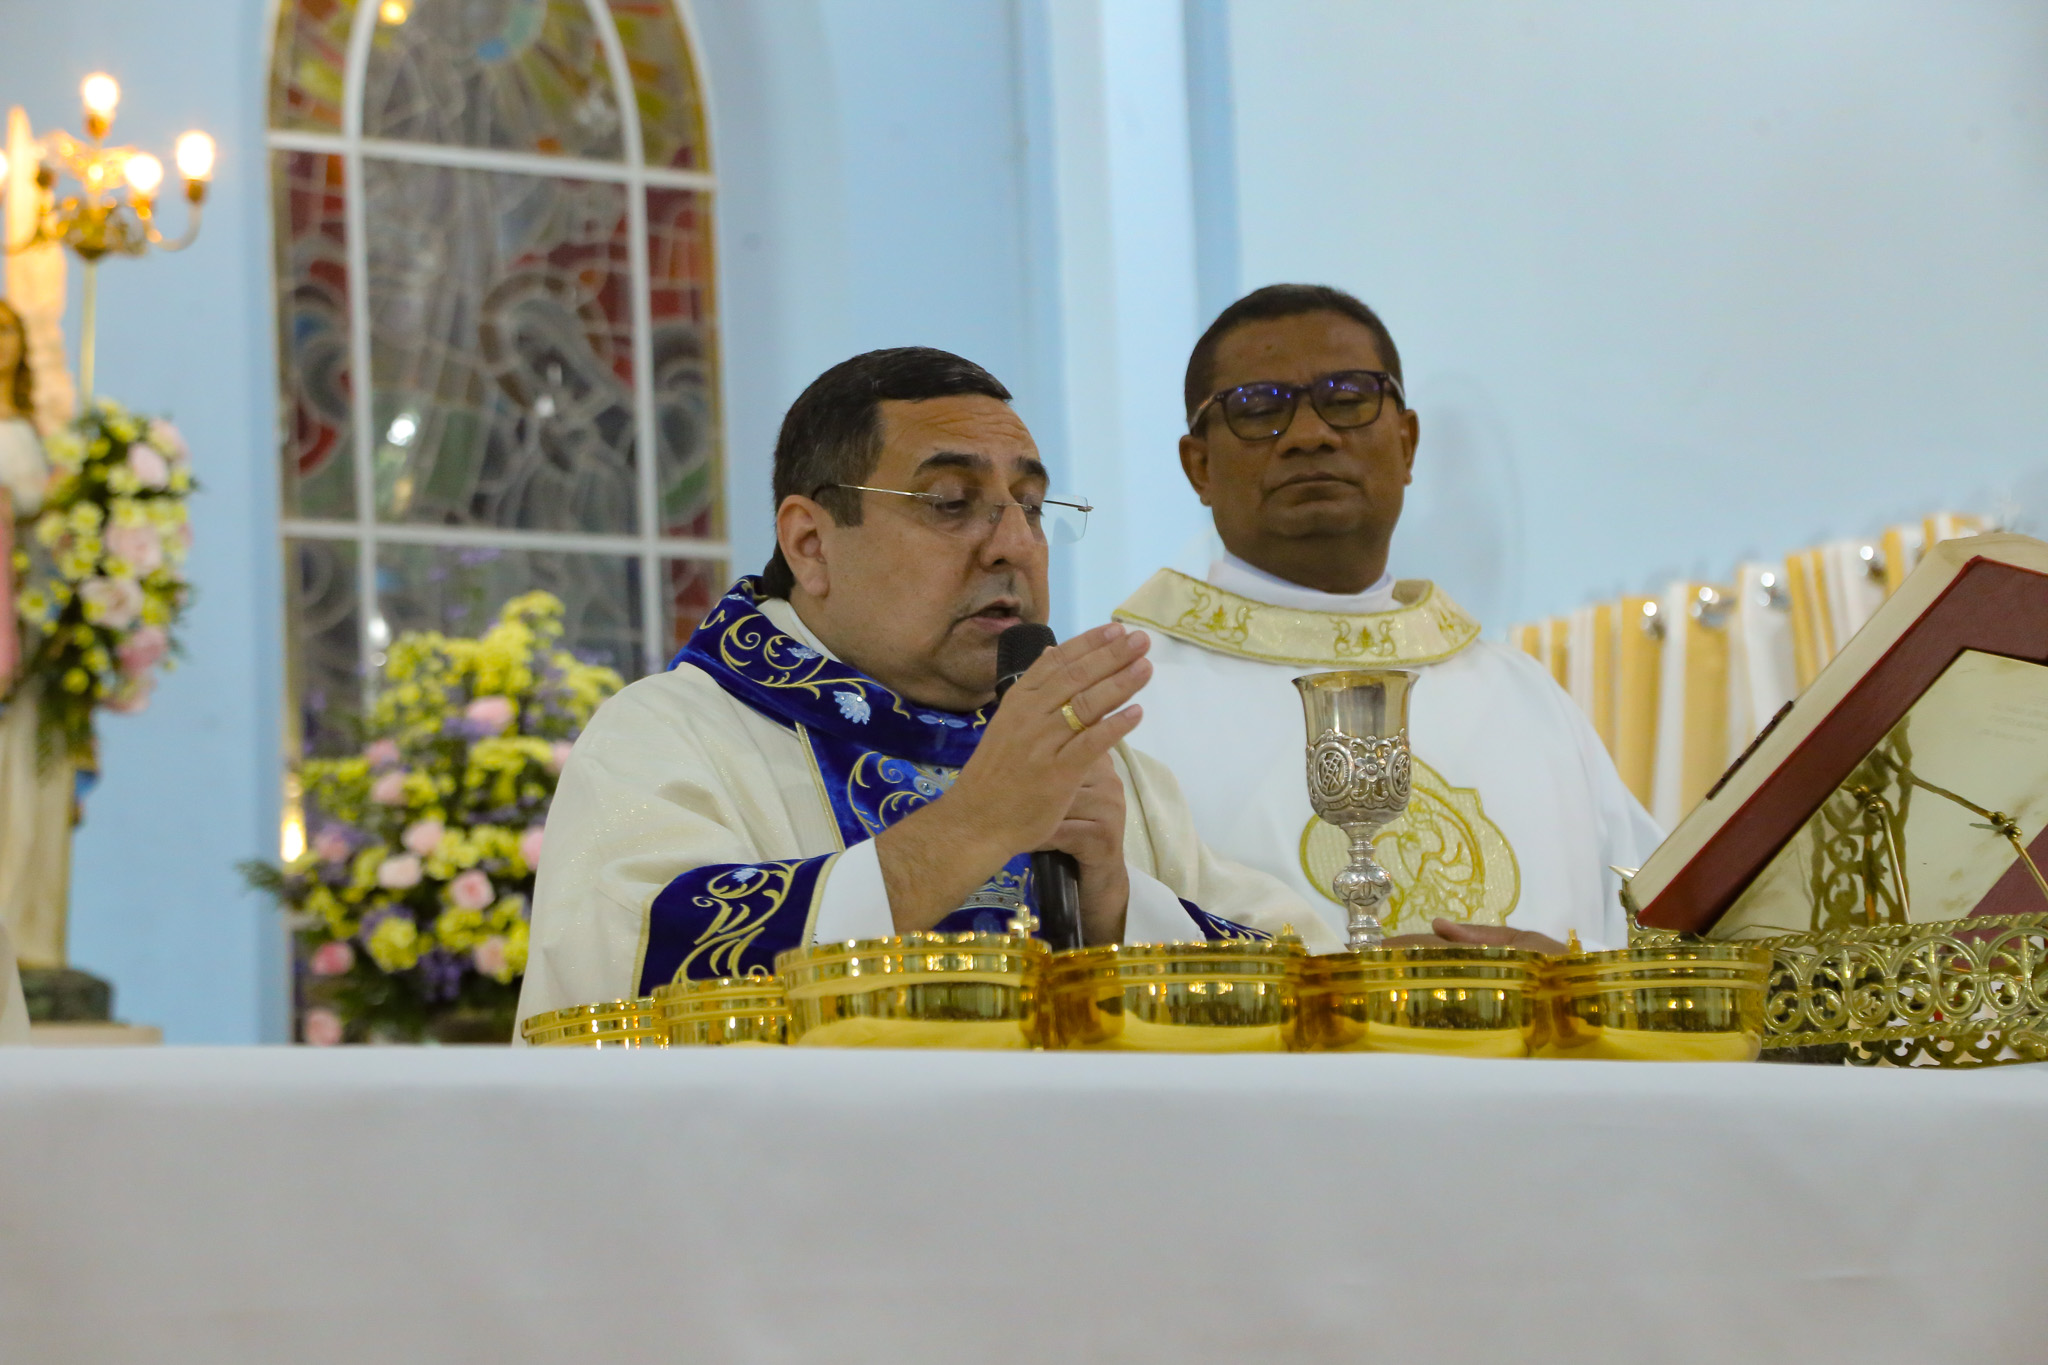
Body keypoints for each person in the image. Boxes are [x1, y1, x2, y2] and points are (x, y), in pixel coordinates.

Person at [517, 347, 1335, 1025]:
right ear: (809, 544)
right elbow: (634, 978)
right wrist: (975, 826)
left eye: (1033, 505)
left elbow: (1307, 991)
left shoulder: (1097, 769)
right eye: (950, 502)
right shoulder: (671, 738)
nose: (1012, 543)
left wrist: (1118, 907)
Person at [1114, 284, 1661, 953]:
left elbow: (1661, 938)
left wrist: (1567, 982)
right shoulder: (1120, 701)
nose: (1310, 435)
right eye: (1259, 409)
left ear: (1406, 443)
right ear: (1198, 466)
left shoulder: (1528, 696)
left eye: (1347, 400)